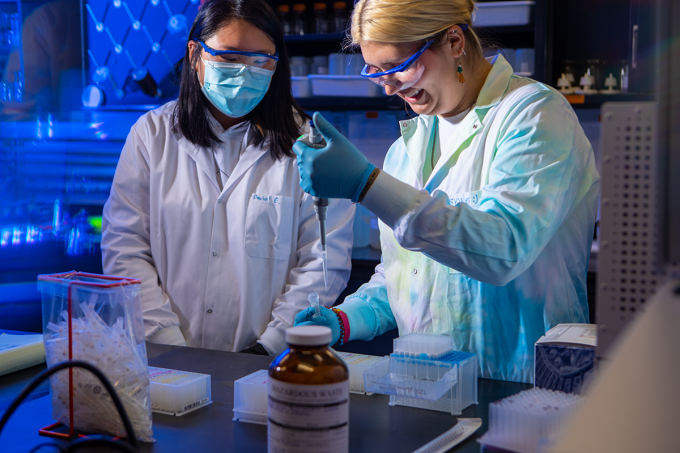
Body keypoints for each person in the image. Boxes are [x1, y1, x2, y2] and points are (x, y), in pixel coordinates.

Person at [294, 0, 600, 383]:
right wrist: (346, 319)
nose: (389, 87)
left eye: (399, 66)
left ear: (455, 42)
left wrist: (367, 185)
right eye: (376, 72)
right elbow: (407, 275)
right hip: (424, 383)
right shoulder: (406, 149)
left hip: (523, 385)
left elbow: (504, 248)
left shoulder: (535, 114)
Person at [101, 0, 354, 356]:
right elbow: (125, 248)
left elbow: (323, 261)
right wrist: (167, 341)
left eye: (260, 61)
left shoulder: (311, 147)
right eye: (230, 58)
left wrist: (270, 346)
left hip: (268, 363)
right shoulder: (151, 136)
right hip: (164, 359)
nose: (244, 73)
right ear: (195, 54)